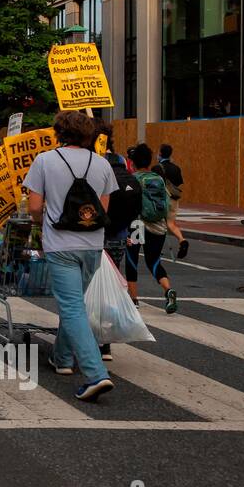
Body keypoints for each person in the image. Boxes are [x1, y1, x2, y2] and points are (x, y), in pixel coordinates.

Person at [23, 110, 118, 401]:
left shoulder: (45, 161)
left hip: (61, 244)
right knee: (74, 303)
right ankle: (62, 359)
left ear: (59, 132)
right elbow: (104, 208)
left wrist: (45, 220)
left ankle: (95, 374)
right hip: (92, 245)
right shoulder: (102, 164)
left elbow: (35, 208)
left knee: (72, 307)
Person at [98, 124, 141, 363]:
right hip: (119, 233)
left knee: (86, 289)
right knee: (110, 288)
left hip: (94, 234)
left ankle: (83, 341)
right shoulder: (122, 161)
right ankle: (105, 344)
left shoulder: (94, 161)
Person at [128, 143, 183, 315]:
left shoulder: (132, 179)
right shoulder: (158, 179)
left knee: (132, 261)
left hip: (137, 224)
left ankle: (134, 300)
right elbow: (165, 204)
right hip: (158, 225)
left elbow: (130, 205)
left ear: (133, 162)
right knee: (154, 261)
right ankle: (168, 290)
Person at [156, 144, 184, 218]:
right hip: (173, 199)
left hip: (160, 200)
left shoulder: (156, 168)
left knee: (161, 223)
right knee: (171, 223)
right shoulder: (176, 168)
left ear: (160, 153)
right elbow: (178, 183)